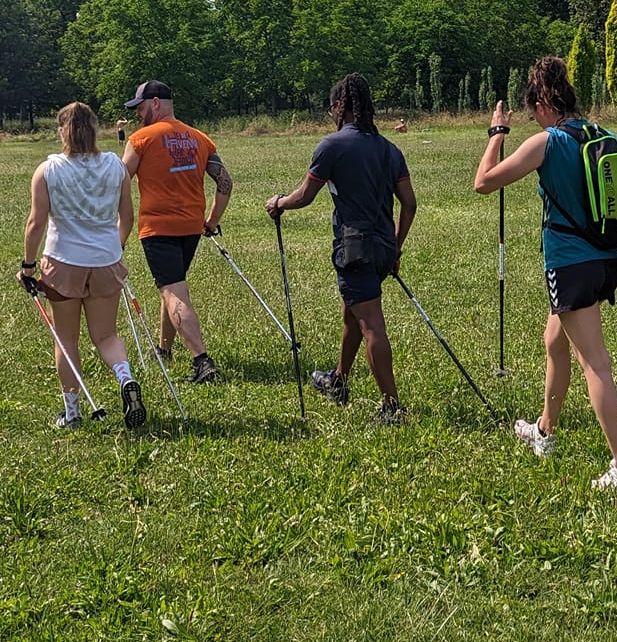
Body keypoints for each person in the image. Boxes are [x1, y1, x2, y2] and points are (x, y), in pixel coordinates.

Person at [474, 56, 617, 496]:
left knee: (596, 364)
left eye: (532, 111)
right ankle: (545, 430)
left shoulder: (547, 142)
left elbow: (484, 182)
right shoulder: (608, 137)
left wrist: (497, 134)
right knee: (554, 339)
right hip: (606, 261)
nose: (533, 119)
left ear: (542, 104)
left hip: (570, 266)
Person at [265, 74, 418, 425]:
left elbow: (305, 196)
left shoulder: (331, 146)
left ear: (338, 106)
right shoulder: (390, 150)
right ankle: (338, 381)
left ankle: (392, 408)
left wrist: (279, 202)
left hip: (354, 249)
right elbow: (409, 204)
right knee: (352, 314)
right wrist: (395, 250)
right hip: (382, 246)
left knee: (371, 325)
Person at [19, 101, 145, 430]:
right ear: (94, 129)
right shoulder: (116, 166)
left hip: (63, 263)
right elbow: (127, 217)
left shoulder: (48, 170)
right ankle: (125, 377)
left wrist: (28, 267)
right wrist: (114, 248)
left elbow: (36, 223)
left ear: (63, 131)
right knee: (106, 335)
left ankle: (72, 412)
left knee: (66, 339)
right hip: (106, 262)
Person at [117, 81, 230, 384]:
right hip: (191, 227)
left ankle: (202, 361)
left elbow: (118, 180)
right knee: (172, 286)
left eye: (140, 107)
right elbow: (225, 183)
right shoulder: (200, 138)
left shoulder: (141, 139)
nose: (138, 113)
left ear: (155, 103)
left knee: (174, 292)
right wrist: (211, 220)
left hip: (158, 228)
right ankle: (164, 349)